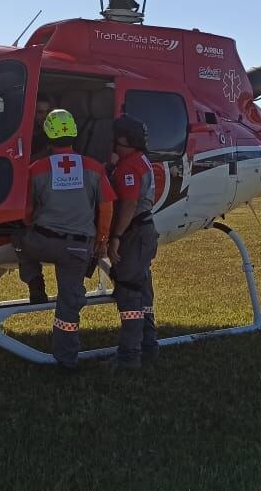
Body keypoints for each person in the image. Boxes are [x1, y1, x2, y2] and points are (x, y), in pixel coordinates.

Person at [14, 108, 115, 371]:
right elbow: (107, 206)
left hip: (42, 242)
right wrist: (101, 238)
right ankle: (66, 359)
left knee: (18, 238)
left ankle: (35, 282)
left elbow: (26, 212)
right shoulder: (94, 167)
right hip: (78, 247)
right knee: (69, 303)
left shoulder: (36, 169)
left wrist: (30, 224)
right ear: (74, 133)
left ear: (47, 135)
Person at [105, 114, 160, 370]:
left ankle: (129, 356)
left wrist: (115, 237)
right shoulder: (140, 161)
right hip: (144, 232)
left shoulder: (129, 166)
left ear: (125, 140)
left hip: (134, 234)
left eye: (117, 139)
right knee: (142, 289)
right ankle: (148, 344)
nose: (114, 144)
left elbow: (128, 204)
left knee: (129, 292)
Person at [30, 93, 54, 161]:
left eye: (47, 112)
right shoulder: (24, 133)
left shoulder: (53, 132)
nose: (45, 116)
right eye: (40, 112)